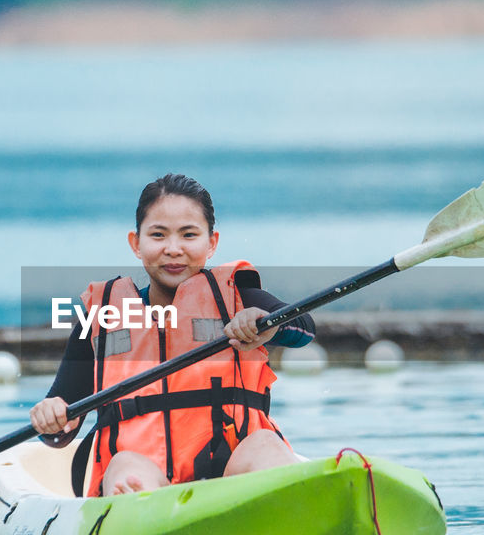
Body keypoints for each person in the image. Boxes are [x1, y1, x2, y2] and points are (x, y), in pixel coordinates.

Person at [30, 174, 315, 497]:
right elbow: (61, 428)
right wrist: (50, 415)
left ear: (212, 243)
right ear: (136, 244)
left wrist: (268, 324)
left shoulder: (240, 298)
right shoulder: (102, 315)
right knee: (125, 465)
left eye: (189, 235)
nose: (174, 249)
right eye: (158, 235)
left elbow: (303, 328)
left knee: (265, 444)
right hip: (148, 488)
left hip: (233, 485)